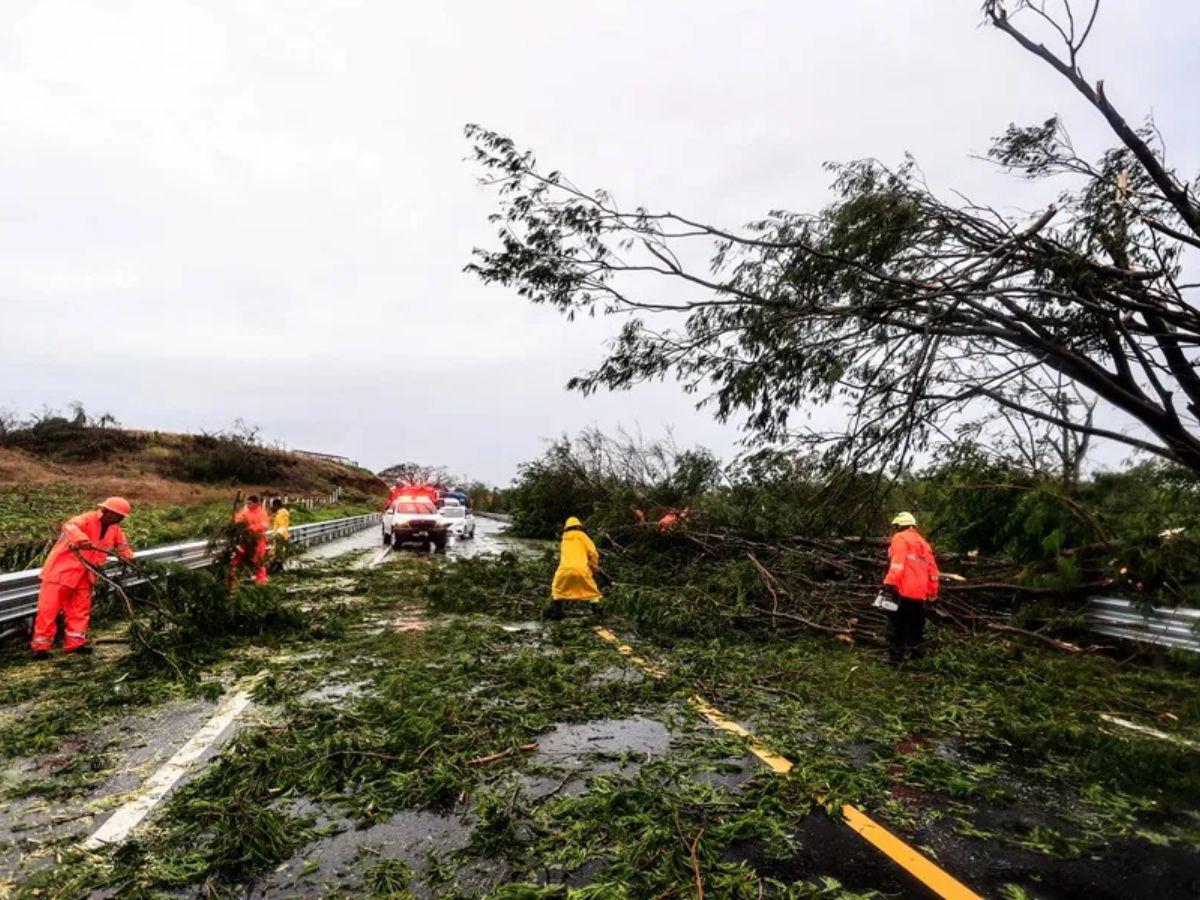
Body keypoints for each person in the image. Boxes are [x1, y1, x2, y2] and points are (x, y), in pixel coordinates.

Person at [31, 497, 135, 658]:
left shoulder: (114, 529)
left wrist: (128, 557)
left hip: (86, 575)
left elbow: (122, 546)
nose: (121, 519)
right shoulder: (85, 519)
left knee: (80, 610)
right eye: (119, 516)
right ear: (108, 512)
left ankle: (75, 644)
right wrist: (81, 539)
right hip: (61, 572)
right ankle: (41, 647)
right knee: (48, 610)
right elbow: (69, 526)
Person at [882, 511, 940, 665]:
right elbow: (933, 570)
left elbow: (897, 563)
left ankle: (895, 659)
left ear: (899, 525)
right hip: (920, 593)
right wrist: (933, 591)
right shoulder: (924, 543)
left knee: (895, 625)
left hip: (902, 590)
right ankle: (917, 659)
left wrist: (890, 582)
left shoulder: (900, 538)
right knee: (915, 626)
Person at [548, 516, 602, 619]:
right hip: (581, 569)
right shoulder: (583, 536)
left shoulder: (564, 539)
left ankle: (558, 613)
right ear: (578, 526)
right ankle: (597, 614)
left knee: (557, 590)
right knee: (592, 592)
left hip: (564, 570)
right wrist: (594, 565)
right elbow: (593, 552)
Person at [232, 495, 271, 585]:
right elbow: (238, 519)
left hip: (258, 540)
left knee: (259, 561)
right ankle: (233, 577)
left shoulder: (262, 513)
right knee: (238, 557)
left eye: (250, 503)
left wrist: (252, 528)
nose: (248, 505)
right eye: (247, 503)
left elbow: (265, 525)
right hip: (245, 540)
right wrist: (236, 522)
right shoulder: (245, 511)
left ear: (256, 504)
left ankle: (260, 580)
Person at [268, 498, 291, 573]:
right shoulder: (285, 512)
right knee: (280, 553)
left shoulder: (280, 514)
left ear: (276, 505)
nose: (271, 508)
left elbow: (281, 526)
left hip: (280, 535)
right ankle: (279, 569)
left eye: (272, 506)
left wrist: (275, 536)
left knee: (275, 553)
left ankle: (272, 569)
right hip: (284, 535)